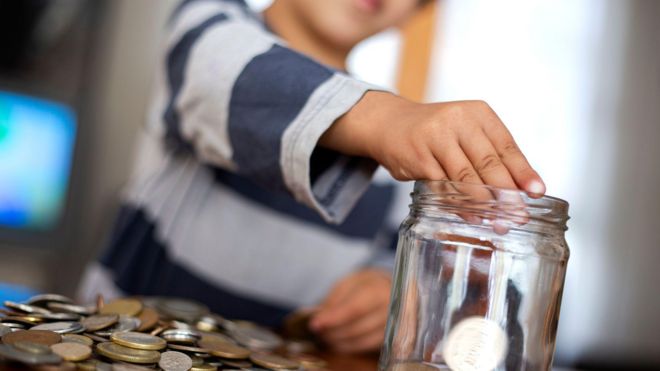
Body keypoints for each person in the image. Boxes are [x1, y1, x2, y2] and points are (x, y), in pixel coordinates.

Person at [79, 0, 545, 354]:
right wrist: (386, 120)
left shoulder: (392, 168)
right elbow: (228, 71)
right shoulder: (207, 25)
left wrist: (391, 293)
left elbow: (395, 265)